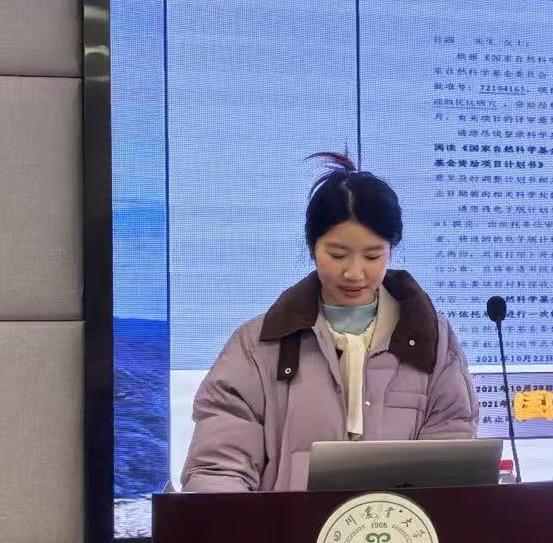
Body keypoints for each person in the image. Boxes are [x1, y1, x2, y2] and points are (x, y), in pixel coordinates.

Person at [181, 152, 479, 492]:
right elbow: (217, 467)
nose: (354, 273)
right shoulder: (258, 347)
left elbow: (450, 450)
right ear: (312, 247)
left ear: (391, 249)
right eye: (337, 255)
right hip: (287, 528)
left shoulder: (432, 340)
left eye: (372, 255)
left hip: (398, 528)